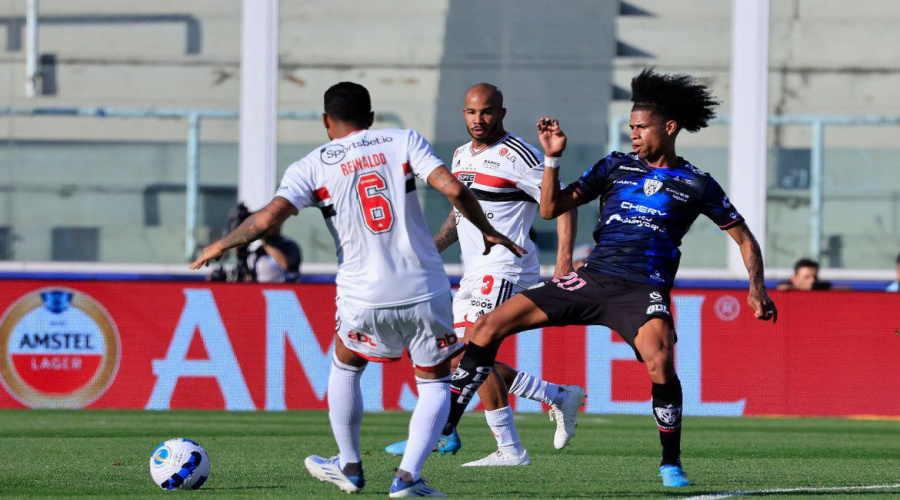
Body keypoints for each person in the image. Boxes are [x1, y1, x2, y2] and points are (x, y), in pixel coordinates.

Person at [443, 68, 778, 488]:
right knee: (489, 326)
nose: (633, 134)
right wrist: (552, 159)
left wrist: (756, 287)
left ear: (669, 127)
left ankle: (670, 462)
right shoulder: (615, 166)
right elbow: (551, 208)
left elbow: (743, 238)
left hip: (642, 289)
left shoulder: (696, 183)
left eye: (641, 127)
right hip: (593, 277)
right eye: (630, 127)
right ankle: (447, 423)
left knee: (660, 361)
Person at [191, 81, 524, 497]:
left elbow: (270, 218)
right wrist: (489, 231)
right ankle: (408, 478)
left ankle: (349, 464)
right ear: (370, 118)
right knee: (435, 383)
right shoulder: (402, 140)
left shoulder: (311, 165)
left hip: (362, 291)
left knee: (347, 362)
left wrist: (222, 244)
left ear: (326, 122)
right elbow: (455, 190)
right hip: (424, 285)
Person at [384, 83, 585, 467]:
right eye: (472, 113)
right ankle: (549, 404)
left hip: (507, 267)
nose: (479, 120)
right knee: (463, 358)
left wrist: (564, 262)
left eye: (487, 112)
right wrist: (425, 252)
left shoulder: (520, 156)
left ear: (502, 113)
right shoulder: (460, 156)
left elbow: (561, 202)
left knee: (472, 348)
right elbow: (459, 217)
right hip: (473, 271)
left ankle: (469, 439)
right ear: (463, 114)